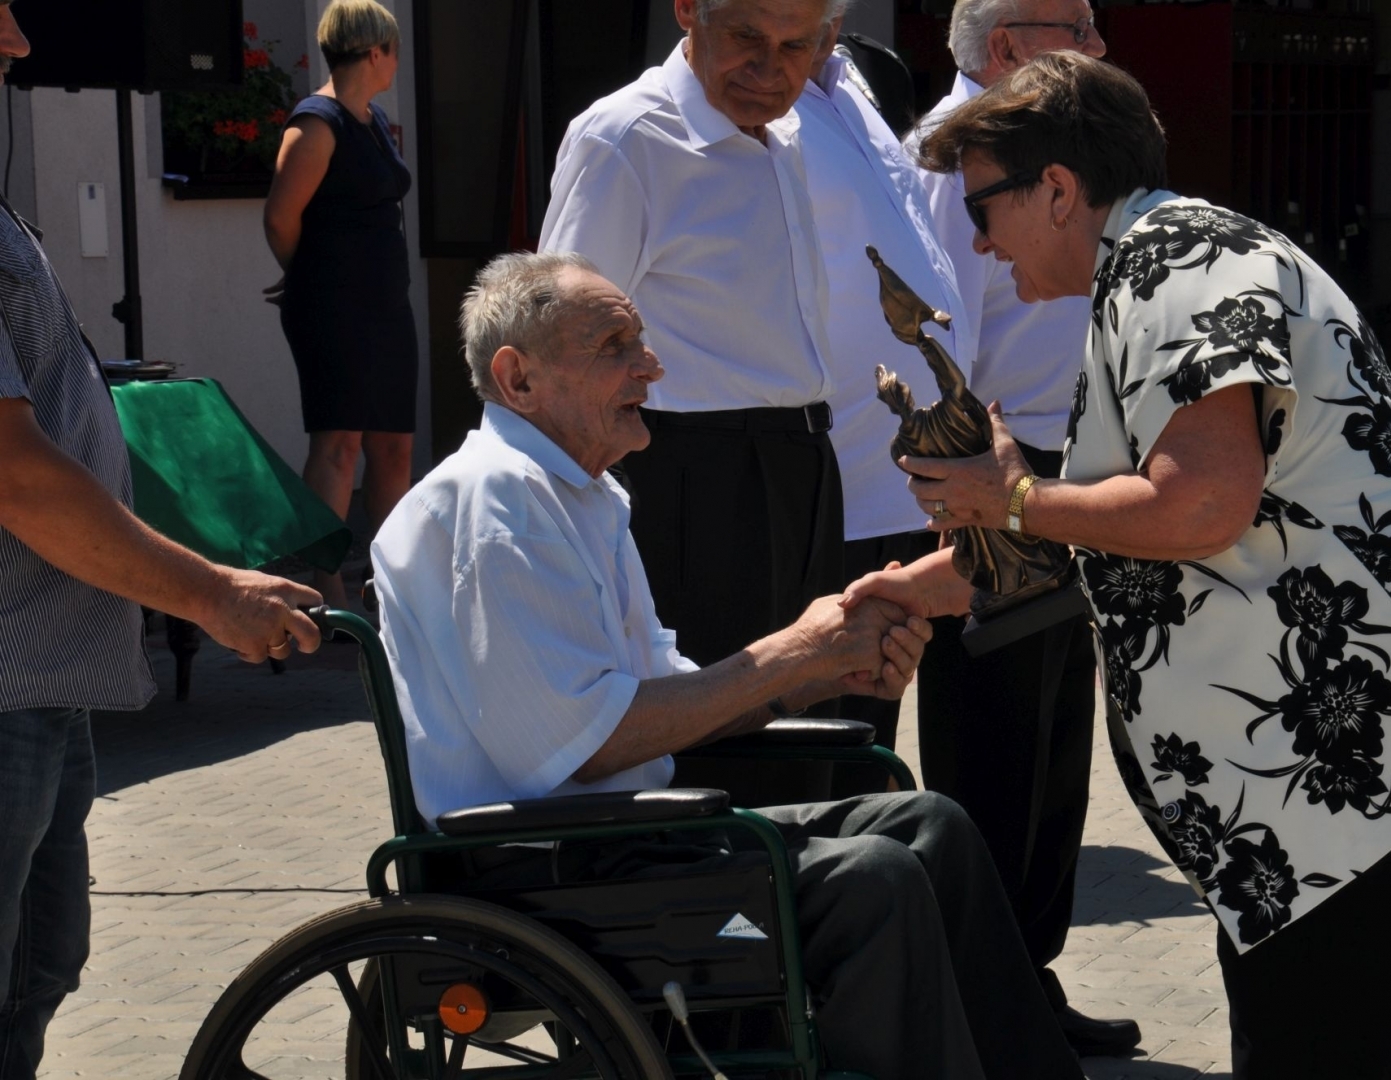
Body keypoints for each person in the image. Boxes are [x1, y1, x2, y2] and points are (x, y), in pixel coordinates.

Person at [848, 52, 1391, 1079]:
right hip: (1353, 732)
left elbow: (1196, 503)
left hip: (1358, 729)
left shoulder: (1172, 264)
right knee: (1341, 1036)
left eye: (984, 206)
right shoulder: (1159, 262)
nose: (974, 238)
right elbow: (1117, 521)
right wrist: (918, 589)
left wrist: (1008, 496)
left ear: (1057, 189)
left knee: (1316, 1043)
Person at [370, 251, 1085, 1080]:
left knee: (932, 825)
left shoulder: (578, 494)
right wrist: (798, 650)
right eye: (615, 346)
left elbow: (675, 698)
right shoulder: (497, 503)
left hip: (616, 841)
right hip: (544, 863)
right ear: (516, 377)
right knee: (874, 880)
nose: (652, 365)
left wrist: (833, 666)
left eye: (641, 341)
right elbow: (586, 744)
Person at [0, 5, 324, 1073]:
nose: (18, 40)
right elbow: (17, 475)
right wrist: (210, 594)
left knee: (37, 977)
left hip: (44, 687)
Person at [905, 0, 1138, 1056]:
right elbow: (934, 348)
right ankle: (984, 1003)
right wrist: (974, 494)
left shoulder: (1043, 155)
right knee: (993, 748)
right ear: (1005, 47)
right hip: (993, 477)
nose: (1096, 45)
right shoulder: (954, 166)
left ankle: (1027, 980)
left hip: (1067, 467)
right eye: (1075, 25)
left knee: (1054, 754)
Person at [536, 0, 845, 685]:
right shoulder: (626, 137)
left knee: (806, 731)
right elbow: (559, 342)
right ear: (686, 11)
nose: (768, 67)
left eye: (796, 46)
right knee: (720, 743)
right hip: (690, 481)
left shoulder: (786, 131)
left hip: (798, 468)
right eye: (744, 36)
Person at [793, 20, 965, 768]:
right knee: (815, 738)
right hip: (827, 487)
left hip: (897, 484)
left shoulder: (859, 80)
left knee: (867, 736)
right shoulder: (747, 106)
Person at [264, 0, 416, 610]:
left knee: (393, 444)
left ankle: (392, 578)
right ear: (376, 51)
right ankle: (323, 580)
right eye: (394, 50)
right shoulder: (316, 124)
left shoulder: (371, 119)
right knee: (340, 444)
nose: (396, 62)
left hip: (385, 306)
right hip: (333, 309)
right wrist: (310, 275)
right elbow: (280, 218)